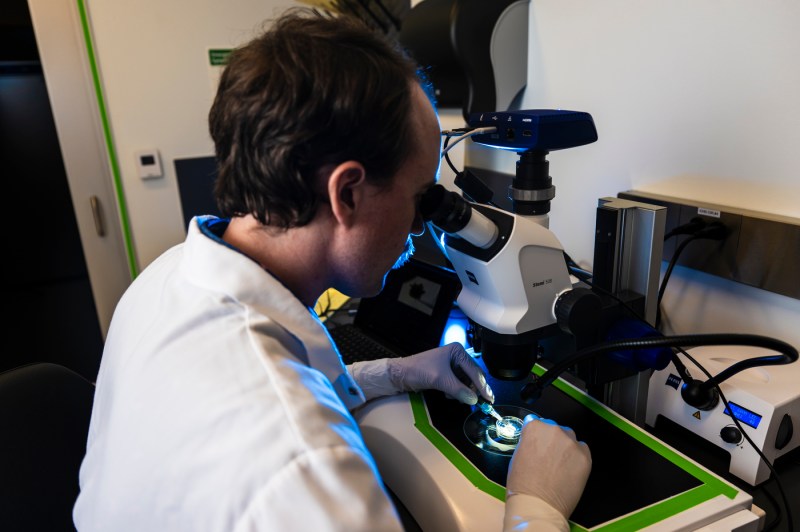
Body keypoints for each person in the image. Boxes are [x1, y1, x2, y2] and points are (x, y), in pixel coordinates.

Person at [73, 8, 590, 532]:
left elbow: (276, 383)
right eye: (421, 197)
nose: (420, 227)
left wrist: (394, 372)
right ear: (346, 194)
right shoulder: (306, 469)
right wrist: (536, 505)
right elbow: (282, 423)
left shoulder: (166, 276)